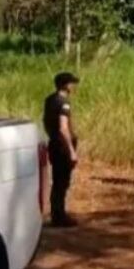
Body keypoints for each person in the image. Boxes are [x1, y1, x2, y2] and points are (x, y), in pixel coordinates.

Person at [43, 72, 80, 227]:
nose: (73, 86)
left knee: (57, 181)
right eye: (71, 83)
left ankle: (56, 214)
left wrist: (51, 136)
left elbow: (45, 121)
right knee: (62, 182)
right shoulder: (64, 102)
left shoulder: (50, 100)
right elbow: (63, 128)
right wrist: (71, 150)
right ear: (65, 85)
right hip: (62, 147)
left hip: (53, 143)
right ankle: (60, 216)